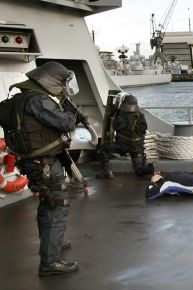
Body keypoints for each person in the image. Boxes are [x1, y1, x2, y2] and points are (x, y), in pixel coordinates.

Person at [7, 61, 80, 276]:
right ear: (50, 80)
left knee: (48, 202)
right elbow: (66, 124)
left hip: (35, 160)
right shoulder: (38, 100)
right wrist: (68, 110)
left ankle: (52, 242)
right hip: (44, 162)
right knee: (57, 205)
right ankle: (51, 261)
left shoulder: (22, 96)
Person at [96, 92, 154, 179]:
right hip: (137, 148)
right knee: (138, 171)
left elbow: (113, 127)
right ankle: (150, 169)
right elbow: (143, 130)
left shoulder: (120, 116)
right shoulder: (140, 116)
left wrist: (114, 111)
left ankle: (106, 173)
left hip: (123, 147)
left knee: (101, 147)